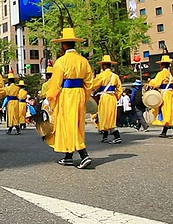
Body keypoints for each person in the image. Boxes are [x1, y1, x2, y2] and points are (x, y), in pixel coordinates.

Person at [45, 27, 94, 169]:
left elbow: (55, 83)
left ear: (64, 45)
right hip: (79, 93)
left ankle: (84, 155)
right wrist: (85, 96)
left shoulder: (61, 61)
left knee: (68, 124)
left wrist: (50, 97)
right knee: (77, 123)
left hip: (66, 94)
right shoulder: (83, 61)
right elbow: (89, 82)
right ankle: (68, 156)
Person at [92, 55, 124, 144]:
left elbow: (93, 84)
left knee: (104, 116)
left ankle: (117, 136)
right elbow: (120, 89)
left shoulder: (101, 75)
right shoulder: (115, 76)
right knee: (110, 116)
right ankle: (105, 137)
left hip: (105, 97)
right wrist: (117, 97)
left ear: (104, 65)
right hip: (112, 98)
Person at [149, 55, 173, 138]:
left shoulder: (161, 73)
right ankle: (164, 131)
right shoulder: (171, 74)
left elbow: (156, 83)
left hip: (164, 94)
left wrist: (150, 82)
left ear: (162, 65)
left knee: (166, 112)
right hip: (171, 94)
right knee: (170, 111)